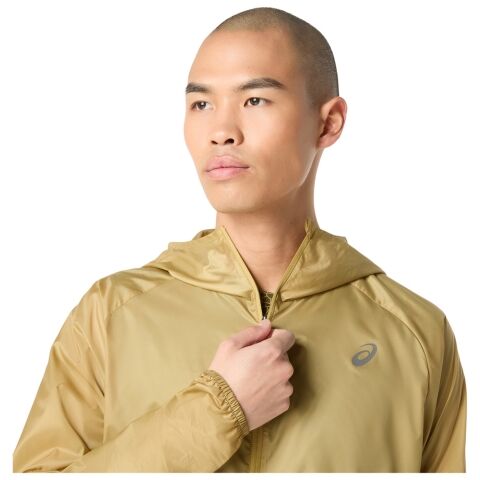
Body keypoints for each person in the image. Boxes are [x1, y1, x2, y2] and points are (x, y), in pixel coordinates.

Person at [12, 6, 467, 473]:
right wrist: (218, 410)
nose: (221, 132)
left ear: (328, 123)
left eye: (255, 100)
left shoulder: (416, 333)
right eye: (201, 104)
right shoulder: (110, 314)